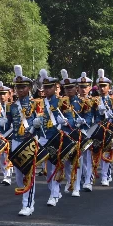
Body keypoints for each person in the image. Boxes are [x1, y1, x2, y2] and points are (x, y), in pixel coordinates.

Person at [35, 69, 74, 207]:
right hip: (43, 138)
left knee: (55, 167)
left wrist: (64, 122)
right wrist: (36, 124)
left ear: (55, 87)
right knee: (46, 170)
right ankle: (54, 191)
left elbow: (71, 120)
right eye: (44, 87)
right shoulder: (39, 103)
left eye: (49, 87)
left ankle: (54, 194)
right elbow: (36, 120)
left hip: (57, 138)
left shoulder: (63, 101)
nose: (46, 90)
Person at [7, 65, 41, 216]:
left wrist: (37, 125)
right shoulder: (12, 106)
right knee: (18, 176)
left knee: (29, 173)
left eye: (23, 87)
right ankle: (26, 200)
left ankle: (28, 204)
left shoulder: (36, 104)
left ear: (29, 88)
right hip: (15, 141)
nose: (20, 90)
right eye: (17, 87)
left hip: (29, 141)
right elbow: (7, 125)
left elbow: (42, 124)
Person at [93, 69, 113, 187]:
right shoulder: (95, 100)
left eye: (104, 86)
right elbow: (92, 115)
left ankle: (105, 176)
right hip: (99, 129)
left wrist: (112, 114)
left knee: (107, 152)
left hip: (110, 128)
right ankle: (104, 174)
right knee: (97, 152)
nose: (102, 88)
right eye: (100, 86)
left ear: (109, 86)